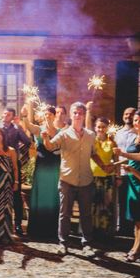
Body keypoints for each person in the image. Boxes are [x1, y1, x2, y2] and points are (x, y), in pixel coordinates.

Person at [42, 102, 113, 256]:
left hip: (86, 181)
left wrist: (103, 166)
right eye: (75, 112)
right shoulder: (64, 134)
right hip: (67, 179)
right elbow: (50, 146)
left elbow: (93, 153)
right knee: (64, 214)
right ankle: (63, 243)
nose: (78, 115)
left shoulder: (90, 135)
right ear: (71, 115)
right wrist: (46, 139)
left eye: (81, 112)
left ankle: (87, 244)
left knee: (86, 214)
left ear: (83, 115)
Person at [114, 111, 140, 262]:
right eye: (136, 120)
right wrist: (113, 164)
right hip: (131, 178)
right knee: (136, 217)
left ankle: (139, 250)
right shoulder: (136, 136)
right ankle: (135, 247)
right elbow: (130, 160)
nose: (137, 123)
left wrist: (123, 153)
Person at [20, 104, 61, 238]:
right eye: (45, 113)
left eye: (50, 114)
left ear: (54, 115)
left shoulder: (59, 132)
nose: (47, 115)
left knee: (51, 194)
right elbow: (29, 127)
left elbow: (59, 149)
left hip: (53, 165)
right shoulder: (39, 129)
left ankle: (50, 230)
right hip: (41, 164)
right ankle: (37, 229)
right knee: (40, 194)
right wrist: (25, 116)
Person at [0, 107, 31, 236]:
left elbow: (27, 142)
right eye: (4, 114)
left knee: (16, 195)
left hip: (13, 165)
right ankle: (1, 223)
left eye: (8, 114)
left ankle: (17, 224)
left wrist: (20, 127)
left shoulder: (16, 129)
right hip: (0, 164)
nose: (5, 116)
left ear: (12, 117)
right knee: (0, 194)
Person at [90, 117, 118, 241]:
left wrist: (118, 175)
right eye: (98, 127)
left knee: (106, 206)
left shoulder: (112, 142)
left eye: (103, 127)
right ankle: (92, 232)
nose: (101, 129)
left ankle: (105, 233)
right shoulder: (91, 141)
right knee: (93, 205)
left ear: (107, 128)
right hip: (92, 177)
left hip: (107, 178)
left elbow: (116, 161)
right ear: (95, 128)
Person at [116, 107, 137, 235]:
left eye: (131, 114)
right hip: (121, 171)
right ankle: (122, 227)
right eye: (126, 114)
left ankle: (132, 228)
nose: (128, 116)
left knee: (132, 201)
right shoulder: (118, 133)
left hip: (133, 171)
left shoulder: (138, 133)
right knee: (121, 200)